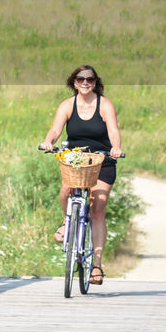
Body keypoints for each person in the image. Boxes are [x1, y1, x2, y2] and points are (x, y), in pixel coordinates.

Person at [38, 64, 124, 285]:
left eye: (90, 79)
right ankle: (68, 221)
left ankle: (96, 265)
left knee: (97, 208)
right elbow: (56, 129)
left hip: (101, 160)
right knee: (66, 190)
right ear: (74, 82)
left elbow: (113, 130)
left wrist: (115, 147)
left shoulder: (105, 105)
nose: (85, 83)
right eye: (80, 79)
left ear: (96, 82)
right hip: (75, 159)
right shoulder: (67, 105)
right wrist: (49, 141)